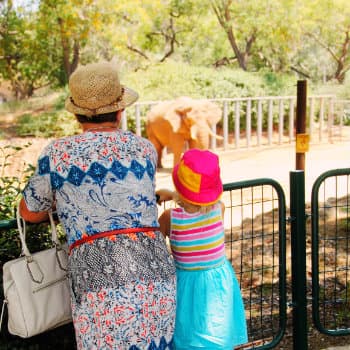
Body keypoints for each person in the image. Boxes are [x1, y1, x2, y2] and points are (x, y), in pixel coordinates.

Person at [19, 61, 176, 349]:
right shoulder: (144, 150)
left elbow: (29, 211)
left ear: (77, 114)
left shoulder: (56, 155)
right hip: (156, 278)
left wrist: (65, 201)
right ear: (120, 110)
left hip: (97, 283)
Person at [157, 148, 248, 350]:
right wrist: (176, 195)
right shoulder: (219, 209)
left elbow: (156, 245)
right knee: (218, 335)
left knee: (187, 336)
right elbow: (197, 205)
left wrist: (171, 196)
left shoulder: (169, 218)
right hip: (218, 284)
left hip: (187, 285)